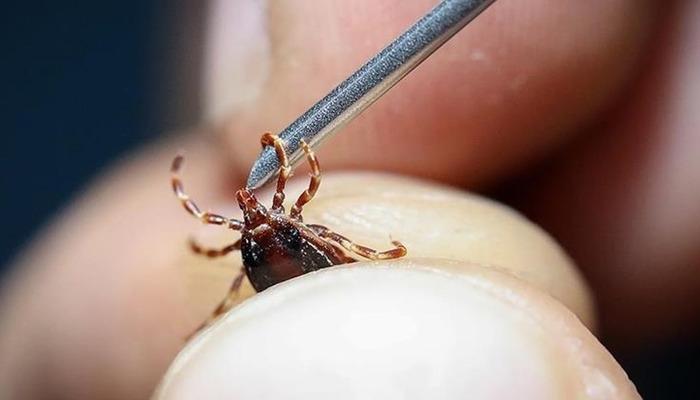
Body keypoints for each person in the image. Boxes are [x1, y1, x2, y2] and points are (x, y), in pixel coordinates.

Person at [1, 0, 698, 398]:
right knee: (325, 247)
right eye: (252, 217)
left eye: (253, 215)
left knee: (319, 251)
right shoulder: (274, 228)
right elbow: (286, 207)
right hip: (288, 273)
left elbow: (244, 219)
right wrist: (296, 164)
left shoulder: (257, 234)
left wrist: (286, 167)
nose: (254, 215)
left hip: (283, 274)